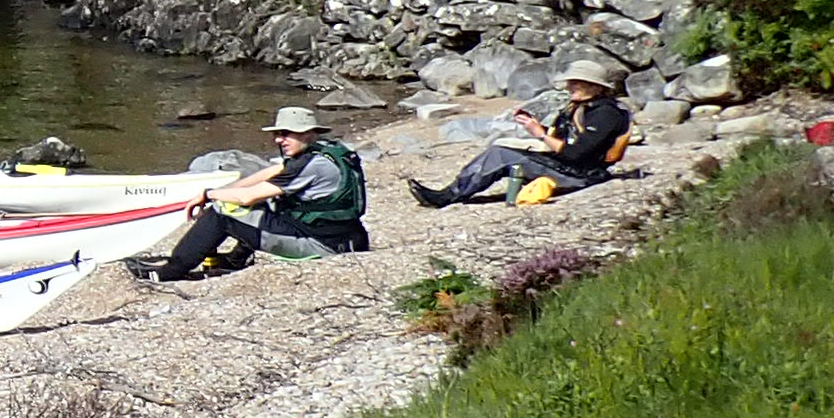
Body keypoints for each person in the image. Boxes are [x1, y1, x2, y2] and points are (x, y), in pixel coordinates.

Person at [142, 107, 372, 282]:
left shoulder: (312, 165)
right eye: (278, 134)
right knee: (262, 204)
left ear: (308, 133)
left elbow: (248, 198)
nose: (278, 140)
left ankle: (170, 272)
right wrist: (229, 188)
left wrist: (209, 194)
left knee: (223, 212)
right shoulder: (328, 152)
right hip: (350, 239)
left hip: (323, 246)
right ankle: (235, 260)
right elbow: (274, 171)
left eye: (285, 134)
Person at [413, 59, 632, 206]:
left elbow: (575, 153)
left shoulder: (606, 114)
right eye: (571, 82)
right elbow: (566, 142)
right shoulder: (583, 108)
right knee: (501, 152)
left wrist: (540, 134)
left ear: (594, 87)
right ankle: (453, 191)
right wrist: (535, 126)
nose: (569, 86)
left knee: (499, 154)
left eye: (576, 83)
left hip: (581, 175)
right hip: (569, 167)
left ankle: (447, 196)